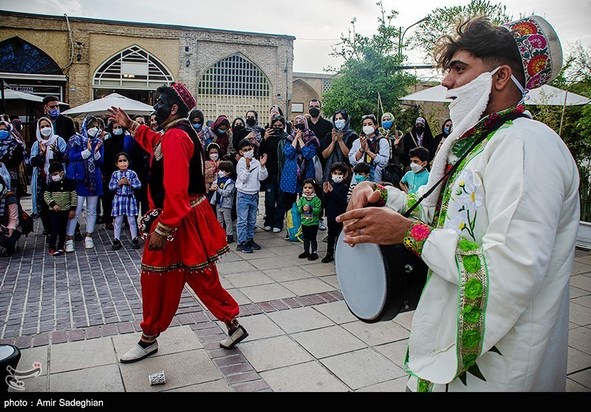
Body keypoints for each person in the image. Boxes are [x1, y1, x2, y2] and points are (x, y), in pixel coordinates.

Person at [338, 15, 579, 392]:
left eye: (459, 68)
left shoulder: (528, 146)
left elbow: (511, 268)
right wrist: (380, 195)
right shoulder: (483, 143)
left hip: (503, 362)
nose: (447, 82)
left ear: (499, 77)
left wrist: (408, 233)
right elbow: (444, 215)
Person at [108, 82, 249, 361]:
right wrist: (130, 126)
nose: (154, 107)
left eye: (159, 102)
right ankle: (233, 324)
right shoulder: (177, 133)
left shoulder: (175, 137)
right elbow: (154, 144)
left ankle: (148, 338)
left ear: (173, 108)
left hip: (175, 220)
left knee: (155, 278)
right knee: (201, 276)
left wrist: (163, 228)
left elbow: (175, 189)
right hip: (186, 217)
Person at [63, 116, 104, 252]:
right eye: (92, 125)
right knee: (76, 209)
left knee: (92, 210)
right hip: (80, 179)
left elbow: (100, 162)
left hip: (94, 179)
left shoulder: (98, 142)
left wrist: (96, 153)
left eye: (97, 126)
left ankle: (89, 235)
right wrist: (85, 153)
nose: (95, 129)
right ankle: (69, 238)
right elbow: (70, 156)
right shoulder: (76, 140)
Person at [29, 117, 67, 236]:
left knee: (60, 202)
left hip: (57, 178)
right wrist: (41, 154)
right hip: (42, 179)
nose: (45, 128)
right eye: (42, 127)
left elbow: (66, 157)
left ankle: (63, 229)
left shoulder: (58, 140)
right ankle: (48, 229)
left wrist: (56, 152)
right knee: (44, 206)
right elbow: (31, 161)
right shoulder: (37, 144)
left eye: (47, 125)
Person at [235, 138, 268, 254]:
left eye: (250, 149)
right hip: (243, 195)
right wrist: (247, 168)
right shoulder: (241, 163)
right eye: (245, 150)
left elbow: (262, 177)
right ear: (241, 152)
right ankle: (241, 242)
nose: (248, 151)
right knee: (242, 220)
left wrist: (263, 166)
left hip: (254, 194)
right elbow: (243, 179)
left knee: (251, 220)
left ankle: (250, 239)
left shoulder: (257, 162)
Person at [258, 114, 288, 233]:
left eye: (279, 125)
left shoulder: (286, 138)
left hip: (282, 173)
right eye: (275, 125)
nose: (277, 127)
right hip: (270, 174)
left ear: (284, 126)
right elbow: (260, 153)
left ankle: (278, 222)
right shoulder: (267, 137)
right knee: (269, 199)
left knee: (281, 200)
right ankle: (269, 221)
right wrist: (264, 138)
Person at [109, 151, 142, 251]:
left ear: (128, 162)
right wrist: (118, 184)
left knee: (131, 220)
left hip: (129, 198)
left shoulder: (132, 173)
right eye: (120, 161)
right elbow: (110, 187)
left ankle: (134, 238)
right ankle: (116, 239)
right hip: (119, 198)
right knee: (118, 220)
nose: (123, 163)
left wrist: (130, 183)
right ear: (116, 163)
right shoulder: (115, 174)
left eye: (125, 160)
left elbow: (138, 185)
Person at [43, 161, 77, 256]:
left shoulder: (69, 183)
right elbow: (46, 196)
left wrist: (72, 209)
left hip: (65, 210)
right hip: (54, 211)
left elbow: (73, 196)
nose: (55, 176)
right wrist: (53, 204)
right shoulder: (51, 185)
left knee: (63, 229)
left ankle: (61, 245)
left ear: (62, 172)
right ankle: (52, 247)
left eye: (56, 174)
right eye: (53, 175)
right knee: (55, 229)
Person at [348, 114, 389, 183]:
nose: (367, 126)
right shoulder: (357, 142)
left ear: (375, 126)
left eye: (370, 124)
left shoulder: (382, 141)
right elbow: (352, 161)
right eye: (364, 125)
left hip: (376, 178)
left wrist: (368, 151)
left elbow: (384, 162)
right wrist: (361, 149)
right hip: (358, 179)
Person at [321, 162, 349, 263]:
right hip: (331, 215)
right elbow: (324, 202)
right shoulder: (330, 185)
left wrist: (332, 192)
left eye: (339, 173)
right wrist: (325, 193)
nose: (337, 175)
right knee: (331, 235)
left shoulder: (344, 187)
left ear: (344, 175)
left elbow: (342, 201)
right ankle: (329, 253)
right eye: (335, 173)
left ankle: (340, 254)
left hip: (340, 215)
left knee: (340, 236)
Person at [210, 160, 236, 244]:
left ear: (228, 172)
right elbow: (213, 185)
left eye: (222, 170)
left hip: (226, 204)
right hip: (218, 203)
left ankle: (230, 236)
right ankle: (220, 235)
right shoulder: (218, 179)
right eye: (220, 170)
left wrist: (218, 189)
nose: (220, 172)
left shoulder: (230, 182)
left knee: (227, 220)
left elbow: (227, 193)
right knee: (219, 220)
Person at [296, 178, 322, 261]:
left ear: (314, 189)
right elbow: (298, 209)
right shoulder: (302, 199)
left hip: (313, 223)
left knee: (312, 238)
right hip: (304, 223)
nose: (307, 190)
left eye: (310, 188)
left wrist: (311, 209)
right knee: (305, 238)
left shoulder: (316, 200)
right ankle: (306, 251)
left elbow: (318, 210)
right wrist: (302, 208)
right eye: (305, 187)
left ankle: (314, 252)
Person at [0, 175, 21, 257]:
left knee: (8, 239)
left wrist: (9, 230)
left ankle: (10, 246)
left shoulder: (10, 199)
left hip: (9, 225)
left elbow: (13, 219)